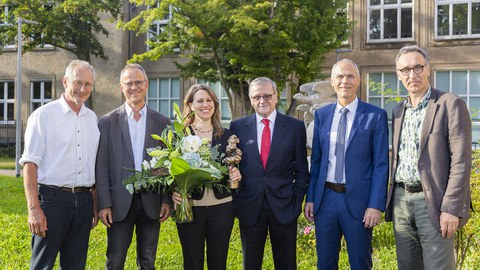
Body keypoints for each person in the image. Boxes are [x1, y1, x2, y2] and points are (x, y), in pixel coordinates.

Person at [385, 45, 472, 270]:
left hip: (433, 202)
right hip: (401, 202)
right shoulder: (397, 110)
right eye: (405, 70)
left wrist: (451, 208)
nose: (412, 75)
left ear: (428, 69)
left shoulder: (450, 104)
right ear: (398, 74)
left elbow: (461, 161)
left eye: (417, 67)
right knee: (408, 266)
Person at [304, 59, 389, 269]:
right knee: (325, 263)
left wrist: (375, 205)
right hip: (326, 200)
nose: (345, 81)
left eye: (350, 76)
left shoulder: (375, 116)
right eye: (340, 76)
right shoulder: (322, 115)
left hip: (359, 203)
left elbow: (381, 164)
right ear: (332, 82)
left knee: (360, 263)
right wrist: (311, 198)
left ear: (358, 80)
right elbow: (316, 162)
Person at [19, 60, 100, 269]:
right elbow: (29, 164)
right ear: (65, 81)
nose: (83, 89)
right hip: (52, 201)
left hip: (83, 202)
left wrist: (94, 203)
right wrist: (33, 209)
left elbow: (94, 165)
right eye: (78, 82)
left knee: (76, 265)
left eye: (88, 84)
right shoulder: (44, 116)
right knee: (42, 265)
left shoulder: (92, 119)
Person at [95, 63, 171, 269]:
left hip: (151, 202)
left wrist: (166, 199)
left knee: (148, 261)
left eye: (138, 82)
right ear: (121, 87)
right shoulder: (107, 122)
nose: (133, 87)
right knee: (115, 260)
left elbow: (167, 164)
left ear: (146, 85)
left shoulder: (163, 122)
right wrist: (104, 203)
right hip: (119, 203)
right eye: (128, 83)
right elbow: (101, 167)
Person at [230, 77, 309, 270]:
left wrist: (296, 199)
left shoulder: (295, 127)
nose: (262, 100)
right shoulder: (238, 127)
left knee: (286, 264)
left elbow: (301, 170)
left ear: (276, 96)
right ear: (250, 99)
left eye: (267, 95)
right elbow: (232, 166)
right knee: (250, 264)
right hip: (250, 206)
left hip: (284, 206)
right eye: (257, 96)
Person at [171, 84, 241, 270]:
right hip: (191, 208)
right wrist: (172, 193)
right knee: (192, 263)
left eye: (209, 100)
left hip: (222, 207)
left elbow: (236, 167)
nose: (205, 104)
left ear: (215, 105)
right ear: (191, 105)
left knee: (218, 263)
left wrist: (237, 173)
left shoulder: (227, 136)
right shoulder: (180, 136)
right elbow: (170, 171)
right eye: (200, 100)